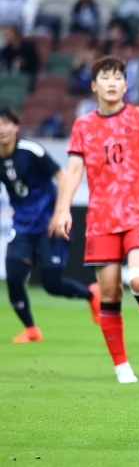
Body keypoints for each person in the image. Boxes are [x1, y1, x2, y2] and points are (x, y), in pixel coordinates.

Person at [55, 56, 139, 384]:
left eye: (117, 78)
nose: (112, 83)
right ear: (94, 85)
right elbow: (74, 171)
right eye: (105, 77)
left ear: (126, 85)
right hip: (100, 218)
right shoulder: (83, 125)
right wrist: (64, 208)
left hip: (138, 211)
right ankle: (122, 366)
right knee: (109, 293)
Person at [0, 106, 100, 343]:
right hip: (22, 226)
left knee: (51, 285)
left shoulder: (29, 150)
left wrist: (60, 212)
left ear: (16, 126)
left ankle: (91, 294)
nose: (2, 129)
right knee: (13, 276)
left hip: (49, 222)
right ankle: (31, 329)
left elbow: (62, 176)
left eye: (6, 123)